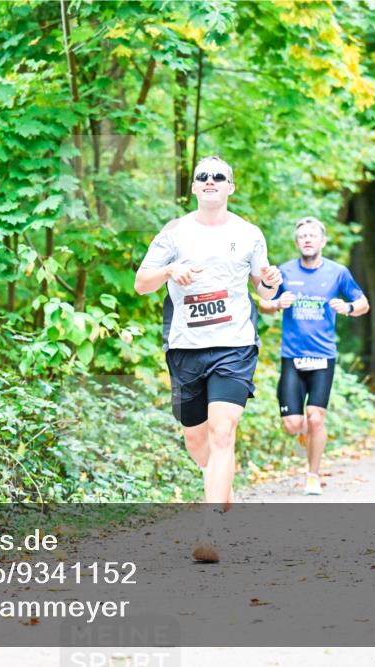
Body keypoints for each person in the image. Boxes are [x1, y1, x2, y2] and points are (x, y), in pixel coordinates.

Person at [134, 155, 281, 563]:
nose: (211, 181)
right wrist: (170, 271)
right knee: (197, 439)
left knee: (222, 433)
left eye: (220, 176)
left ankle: (210, 531)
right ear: (195, 187)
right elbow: (142, 283)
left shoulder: (249, 234)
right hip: (185, 347)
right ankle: (221, 481)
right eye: (204, 177)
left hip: (234, 345)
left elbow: (264, 292)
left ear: (231, 187)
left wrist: (269, 283)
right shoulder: (175, 232)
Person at [259, 216, 368, 496]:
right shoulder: (283, 271)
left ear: (322, 241)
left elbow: (363, 303)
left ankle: (313, 476)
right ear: (297, 243)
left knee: (316, 417)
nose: (307, 239)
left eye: (312, 235)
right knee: (293, 425)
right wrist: (275, 304)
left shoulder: (338, 272)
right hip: (292, 358)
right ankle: (307, 436)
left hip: (323, 357)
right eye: (302, 236)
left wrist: (348, 307)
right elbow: (262, 302)